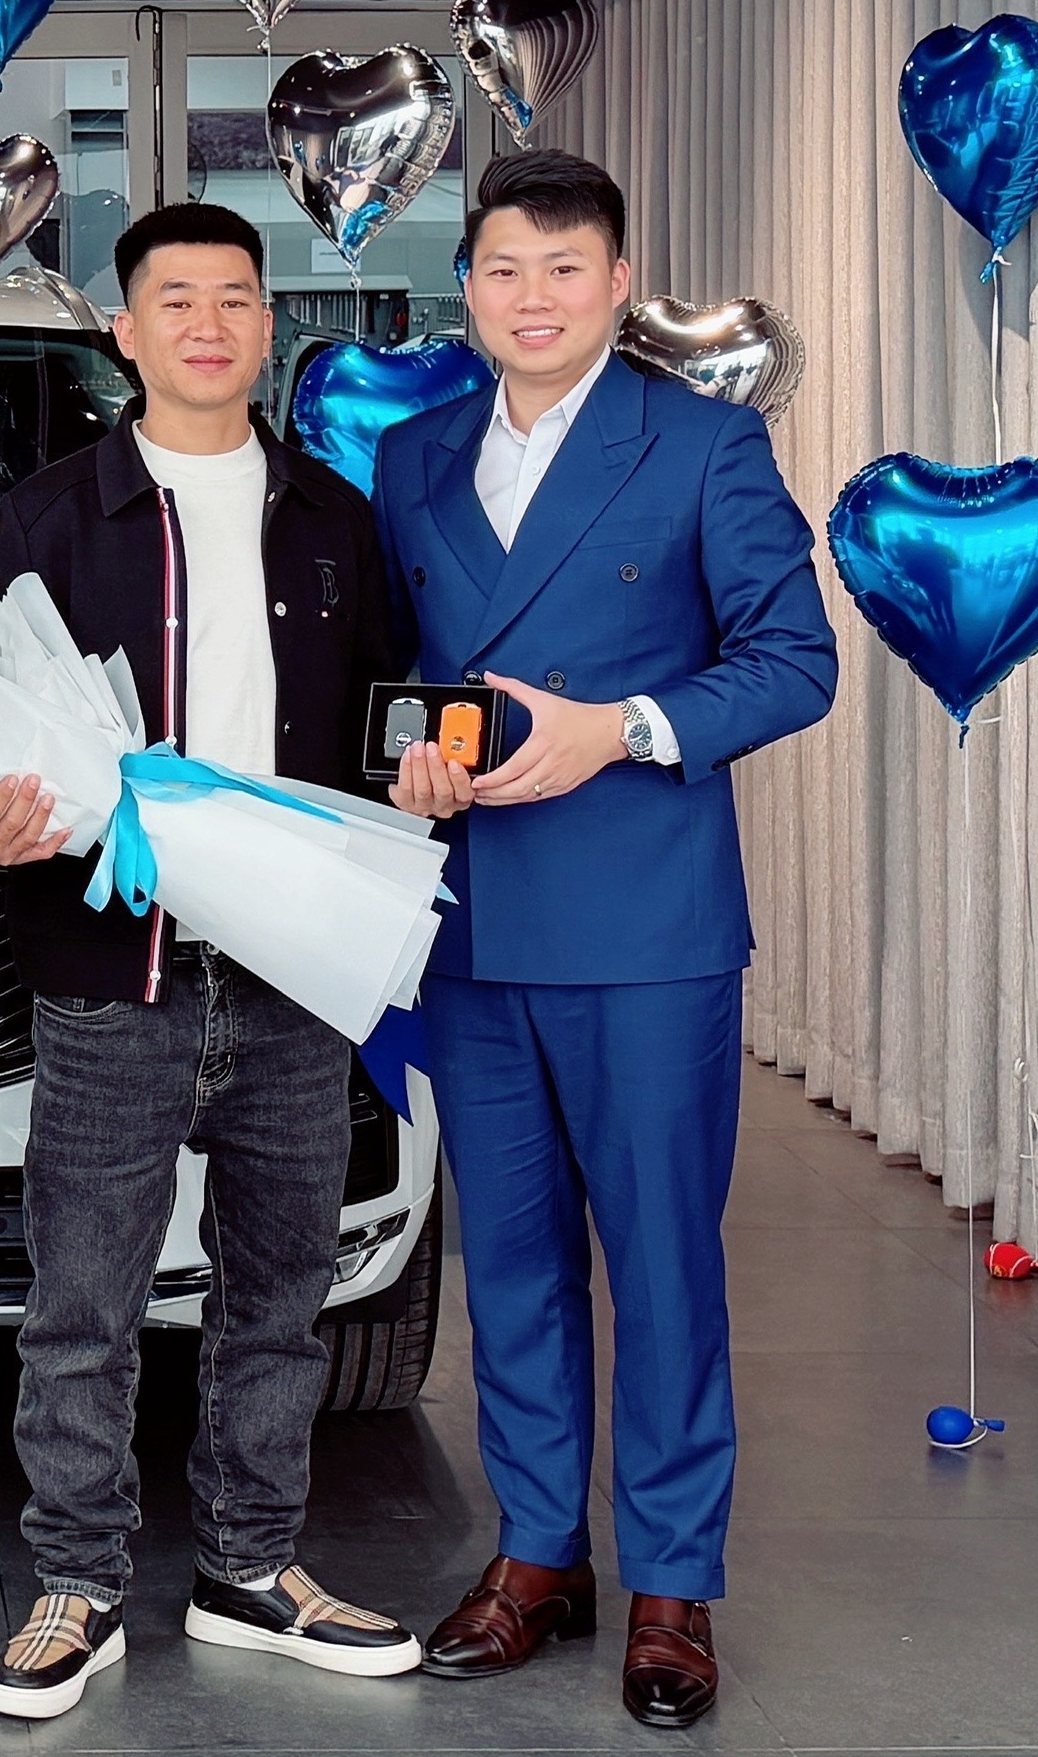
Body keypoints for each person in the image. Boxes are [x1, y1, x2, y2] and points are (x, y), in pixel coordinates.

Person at [0, 201, 419, 1722]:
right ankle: (75, 1587)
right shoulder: (49, 516)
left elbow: (382, 719)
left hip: (291, 969)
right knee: (83, 1301)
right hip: (111, 972)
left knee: (279, 1296)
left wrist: (426, 774)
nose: (208, 324)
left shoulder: (335, 517)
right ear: (126, 331)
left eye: (236, 298)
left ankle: (250, 1569)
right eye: (176, 300)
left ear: (270, 326)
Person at [371, 151, 837, 1730]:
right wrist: (407, 760)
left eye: (566, 269)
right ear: (467, 287)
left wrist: (621, 727)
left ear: (618, 285)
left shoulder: (703, 442)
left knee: (662, 1264)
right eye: (504, 269)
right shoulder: (415, 455)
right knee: (508, 1264)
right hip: (473, 923)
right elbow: (403, 673)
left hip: (646, 927)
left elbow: (795, 660)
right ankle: (538, 1555)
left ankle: (675, 1584)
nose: (534, 298)